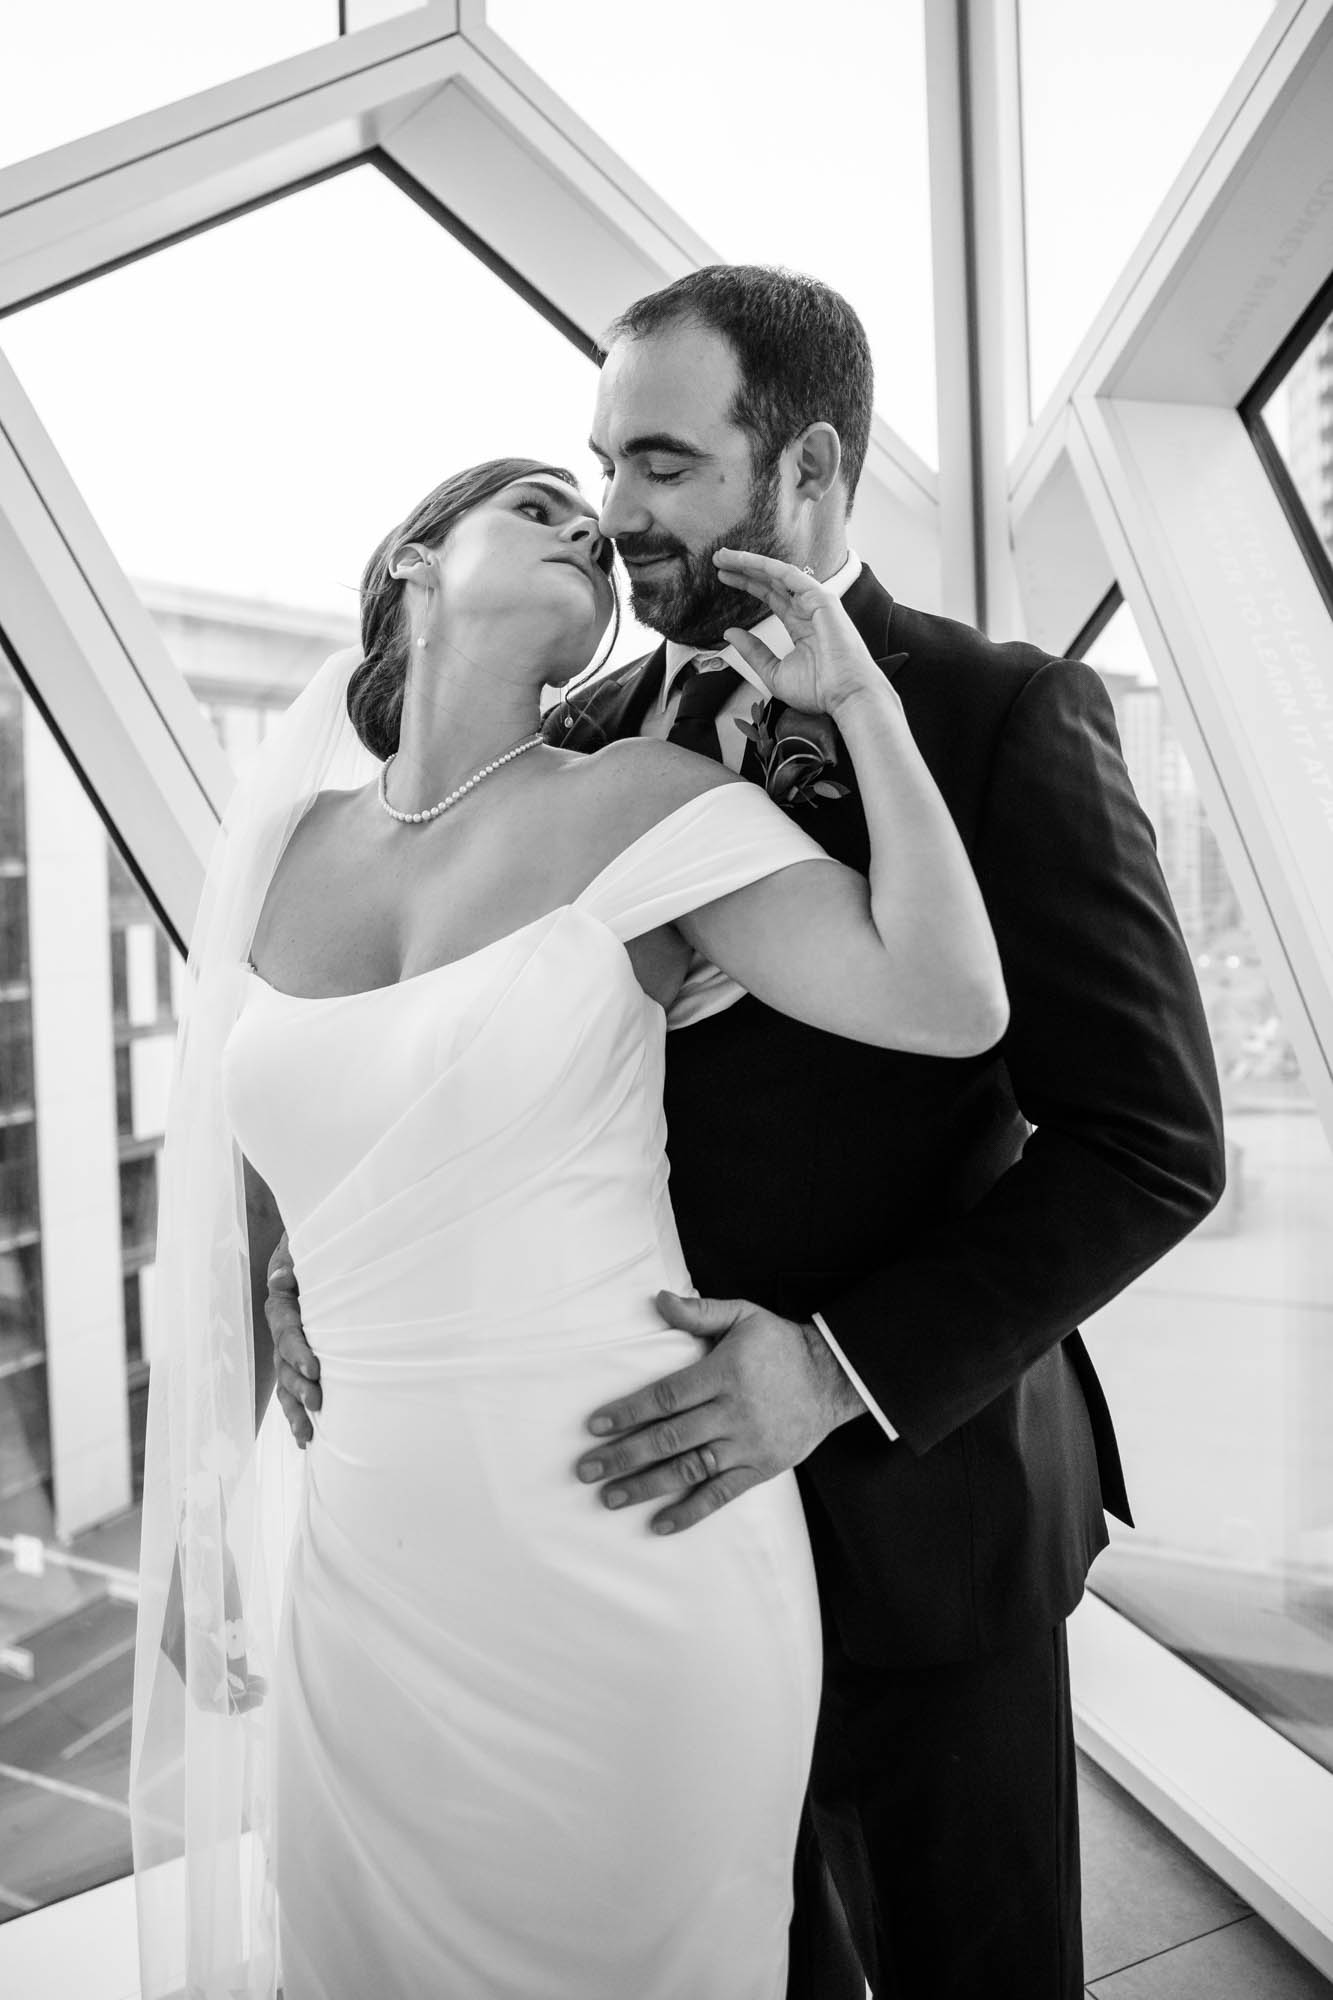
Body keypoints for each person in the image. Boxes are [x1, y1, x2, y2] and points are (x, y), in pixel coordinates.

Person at [266, 266, 1227, 2000]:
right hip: (609, 1530)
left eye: (661, 462)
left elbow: (1148, 1143)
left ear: (805, 468)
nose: (619, 514)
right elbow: (436, 1051)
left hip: (911, 1509)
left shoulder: (1001, 713)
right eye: (595, 466)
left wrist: (832, 1370)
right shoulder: (572, 745)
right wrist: (315, 1249)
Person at [129, 450, 1007, 2000]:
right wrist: (206, 1510)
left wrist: (860, 701)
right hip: (367, 1570)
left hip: (628, 1528)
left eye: (596, 534)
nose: (585, 533)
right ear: (414, 558)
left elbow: (944, 1004)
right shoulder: (275, 847)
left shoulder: (645, 804)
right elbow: (244, 1190)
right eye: (535, 505)